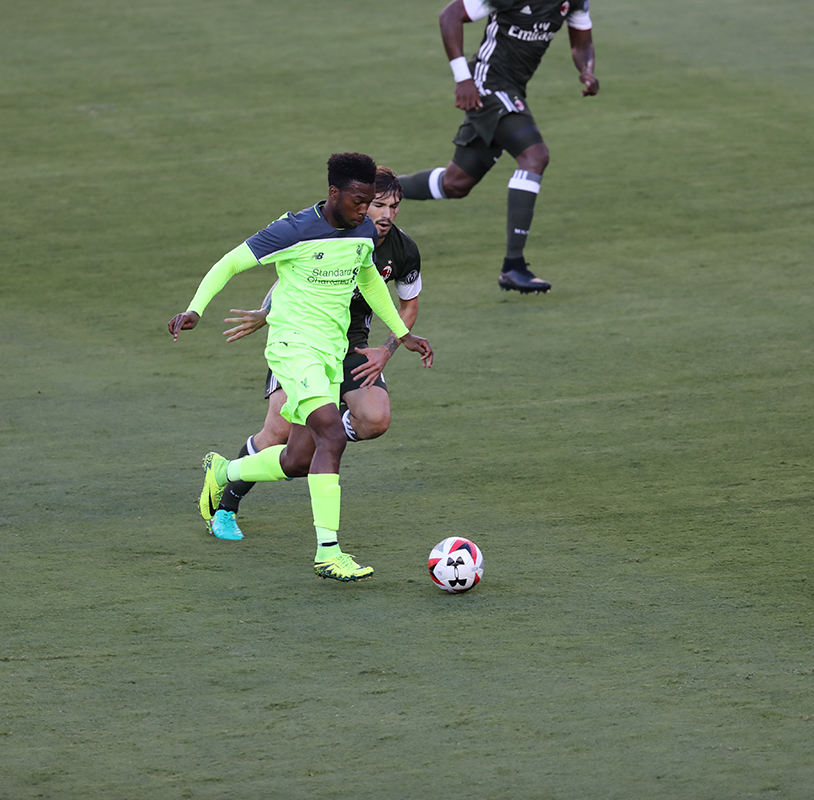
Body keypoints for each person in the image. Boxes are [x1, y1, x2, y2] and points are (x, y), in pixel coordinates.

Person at [167, 153, 434, 582]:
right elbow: (230, 262)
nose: (367, 211)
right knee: (332, 432)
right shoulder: (294, 230)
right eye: (360, 200)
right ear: (335, 193)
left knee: (296, 459)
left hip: (331, 351)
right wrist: (195, 309)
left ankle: (225, 471)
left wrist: (401, 335)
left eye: (373, 202)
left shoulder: (363, 231)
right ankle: (328, 551)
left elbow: (367, 278)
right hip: (294, 347)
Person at [398, 0, 598, 294]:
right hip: (487, 84)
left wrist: (586, 70)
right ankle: (513, 266)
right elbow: (450, 15)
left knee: (456, 183)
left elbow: (582, 42)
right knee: (535, 156)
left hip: (512, 87)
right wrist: (462, 78)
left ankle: (375, 189)